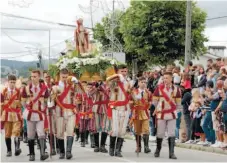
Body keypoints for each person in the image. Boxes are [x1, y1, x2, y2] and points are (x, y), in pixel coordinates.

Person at [49, 68, 79, 159]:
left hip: (70, 112)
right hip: (59, 112)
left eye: (66, 77)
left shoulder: (73, 85)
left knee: (70, 132)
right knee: (60, 133)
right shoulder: (55, 87)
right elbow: (51, 100)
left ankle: (68, 152)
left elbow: (80, 92)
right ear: (60, 76)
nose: (65, 79)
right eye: (63, 77)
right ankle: (62, 152)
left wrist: (77, 82)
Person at [152, 71, 182, 159]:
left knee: (171, 133)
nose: (165, 80)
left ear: (171, 79)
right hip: (161, 113)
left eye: (167, 78)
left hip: (172, 113)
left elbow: (178, 103)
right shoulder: (159, 88)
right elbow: (155, 101)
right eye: (164, 78)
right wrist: (159, 107)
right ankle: (158, 149)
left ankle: (171, 153)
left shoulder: (176, 89)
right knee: (160, 133)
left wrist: (178, 111)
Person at [21, 70, 49, 161]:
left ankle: (42, 154)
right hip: (30, 114)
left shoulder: (44, 88)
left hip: (40, 114)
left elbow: (46, 101)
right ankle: (31, 155)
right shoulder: (26, 88)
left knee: (41, 133)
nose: (33, 78)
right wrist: (28, 108)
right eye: (32, 76)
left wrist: (44, 108)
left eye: (35, 76)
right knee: (30, 134)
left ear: (39, 77)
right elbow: (23, 102)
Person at [107, 65, 131, 157]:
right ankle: (111, 148)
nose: (124, 73)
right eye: (122, 71)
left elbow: (130, 95)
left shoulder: (128, 83)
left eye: (125, 71)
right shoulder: (113, 82)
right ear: (118, 72)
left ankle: (118, 150)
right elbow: (107, 80)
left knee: (122, 130)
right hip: (115, 108)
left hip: (125, 108)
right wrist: (117, 77)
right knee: (115, 130)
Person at [1, 75, 22, 157]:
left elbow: (20, 103)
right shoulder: (3, 92)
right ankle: (9, 150)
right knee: (7, 133)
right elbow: (1, 104)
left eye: (14, 82)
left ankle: (17, 148)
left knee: (17, 131)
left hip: (16, 114)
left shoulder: (18, 91)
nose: (12, 84)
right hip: (6, 114)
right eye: (11, 82)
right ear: (8, 82)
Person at [130, 77, 151, 154]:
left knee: (146, 130)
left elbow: (150, 101)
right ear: (138, 83)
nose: (143, 84)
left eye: (145, 82)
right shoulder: (133, 92)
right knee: (137, 131)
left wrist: (147, 106)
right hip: (136, 113)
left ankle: (146, 147)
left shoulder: (148, 92)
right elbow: (130, 102)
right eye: (142, 82)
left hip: (145, 113)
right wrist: (133, 105)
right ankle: (138, 147)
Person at [89, 82, 110, 153]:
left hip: (105, 108)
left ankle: (102, 146)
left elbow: (111, 96)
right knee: (96, 127)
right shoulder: (94, 87)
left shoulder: (109, 87)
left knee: (105, 127)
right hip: (96, 108)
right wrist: (97, 88)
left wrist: (104, 90)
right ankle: (96, 146)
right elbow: (89, 94)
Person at [43, 70, 57, 155]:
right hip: (45, 110)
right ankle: (53, 148)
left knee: (56, 128)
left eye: (49, 76)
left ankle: (58, 147)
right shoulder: (42, 86)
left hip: (55, 109)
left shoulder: (55, 85)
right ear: (43, 77)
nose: (47, 78)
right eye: (46, 77)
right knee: (49, 129)